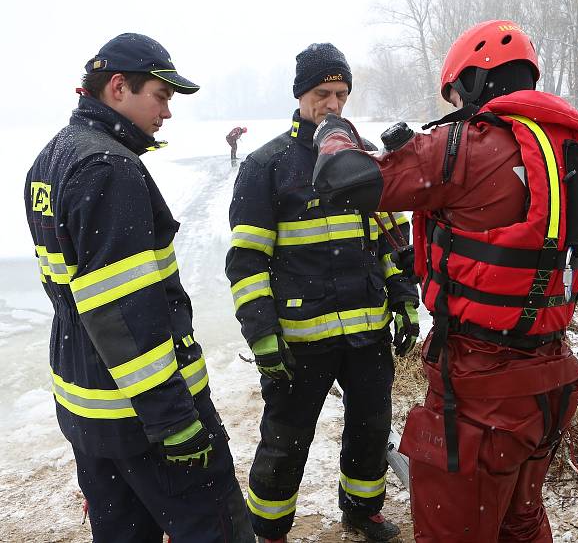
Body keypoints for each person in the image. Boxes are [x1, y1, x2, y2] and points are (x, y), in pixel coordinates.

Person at [313, 20, 578, 542]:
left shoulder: (464, 147)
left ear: (475, 83)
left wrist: (332, 129)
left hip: (480, 392)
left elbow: (342, 180)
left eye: (455, 93)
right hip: (550, 380)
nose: (454, 106)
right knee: (521, 521)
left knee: (458, 531)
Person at [23, 33, 254, 542]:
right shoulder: (109, 167)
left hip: (88, 408)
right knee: (216, 529)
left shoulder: (50, 160)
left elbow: (72, 296)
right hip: (145, 416)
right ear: (119, 87)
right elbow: (121, 310)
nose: (167, 113)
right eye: (162, 96)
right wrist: (174, 420)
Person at [225, 42, 419, 543]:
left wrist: (403, 295)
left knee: (371, 428)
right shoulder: (267, 165)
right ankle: (268, 529)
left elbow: (391, 237)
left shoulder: (362, 158)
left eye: (341, 94)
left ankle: (362, 510)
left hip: (367, 333)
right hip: (301, 340)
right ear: (300, 95)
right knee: (285, 441)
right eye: (321, 94)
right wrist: (263, 336)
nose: (332, 105)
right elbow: (246, 262)